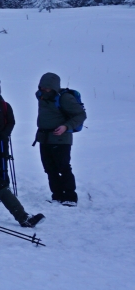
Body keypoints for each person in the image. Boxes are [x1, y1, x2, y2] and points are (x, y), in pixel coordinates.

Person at [35, 72, 85, 205]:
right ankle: (57, 195)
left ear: (54, 87)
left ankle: (70, 197)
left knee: (63, 167)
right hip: (44, 137)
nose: (44, 90)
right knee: (49, 168)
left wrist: (66, 126)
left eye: (47, 88)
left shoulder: (65, 98)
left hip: (61, 138)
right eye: (42, 87)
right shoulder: (40, 96)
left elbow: (81, 115)